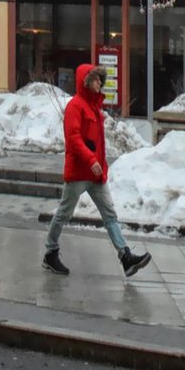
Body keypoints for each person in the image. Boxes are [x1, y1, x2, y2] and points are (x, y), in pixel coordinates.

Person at [43, 63, 152, 278]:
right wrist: (91, 159)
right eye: (95, 79)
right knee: (64, 213)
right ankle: (50, 252)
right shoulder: (76, 106)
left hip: (95, 174)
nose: (100, 83)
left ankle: (125, 257)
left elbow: (97, 142)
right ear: (86, 82)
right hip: (79, 172)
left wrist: (101, 166)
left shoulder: (94, 107)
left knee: (110, 215)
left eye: (100, 79)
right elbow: (73, 139)